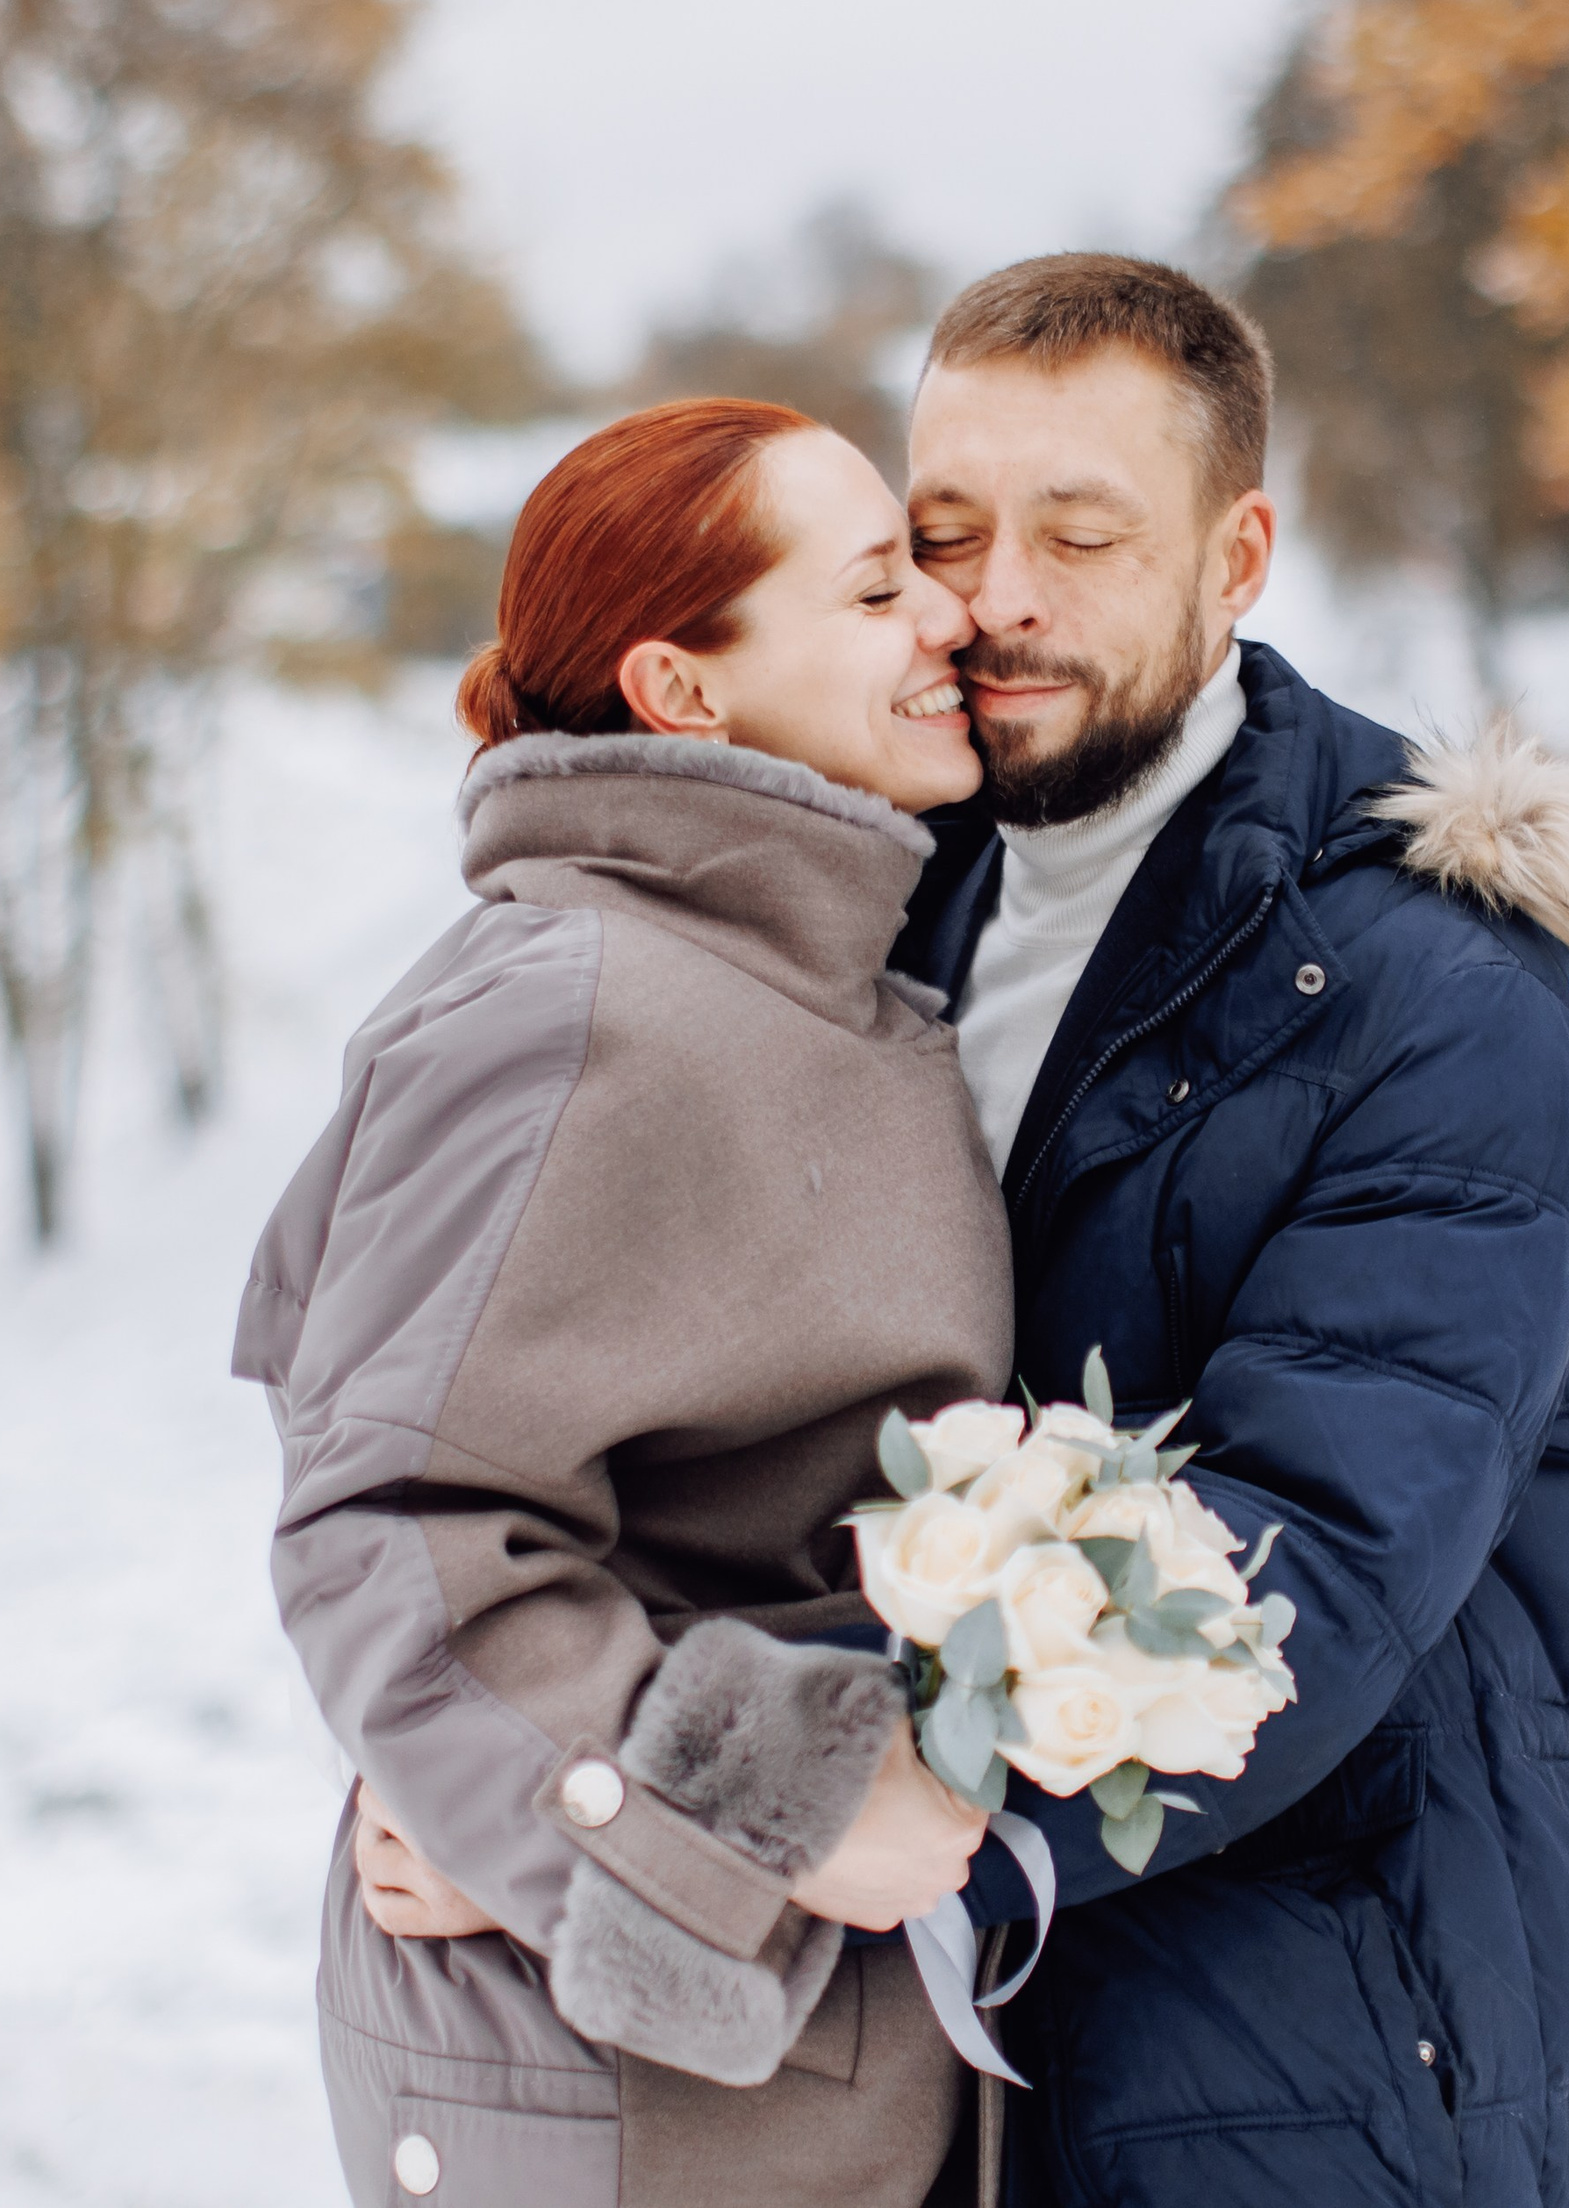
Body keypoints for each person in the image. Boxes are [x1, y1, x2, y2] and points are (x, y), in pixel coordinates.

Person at [893, 255, 1569, 2208]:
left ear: (1236, 556)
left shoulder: (1426, 983)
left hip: (1340, 2066)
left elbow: (1295, 1558)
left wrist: (855, 1831)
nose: (999, 593)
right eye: (946, 532)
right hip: (970, 2052)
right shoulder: (879, 907)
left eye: (1080, 532)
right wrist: (547, 1778)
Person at [235, 399, 1008, 2208]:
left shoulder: (803, 975)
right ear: (683, 690)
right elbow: (390, 1526)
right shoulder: (578, 1008)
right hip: (613, 2074)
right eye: (880, 588)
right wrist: (755, 1815)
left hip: (787, 2052)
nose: (948, 622)